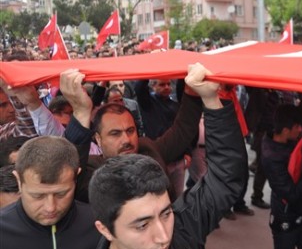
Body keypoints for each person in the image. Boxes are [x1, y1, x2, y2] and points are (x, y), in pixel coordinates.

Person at [74, 63, 248, 249]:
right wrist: (81, 114)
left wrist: (205, 97)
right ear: (105, 229)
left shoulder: (182, 230)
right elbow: (67, 175)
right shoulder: (88, 171)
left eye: (166, 213)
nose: (164, 237)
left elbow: (224, 178)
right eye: (142, 225)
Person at [60, 69, 199, 203]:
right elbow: (67, 174)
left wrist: (192, 93)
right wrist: (81, 112)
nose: (126, 140)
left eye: (130, 130)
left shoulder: (147, 148)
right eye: (115, 134)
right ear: (98, 139)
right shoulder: (90, 168)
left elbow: (182, 130)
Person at [0, 136, 100, 249]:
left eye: (61, 194)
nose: (50, 207)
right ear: (18, 180)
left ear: (76, 176)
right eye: (38, 196)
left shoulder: (100, 226)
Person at [261, 104, 302, 249]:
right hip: (285, 219)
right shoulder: (271, 156)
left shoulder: (285, 139)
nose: (301, 130)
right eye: (297, 127)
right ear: (286, 130)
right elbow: (292, 194)